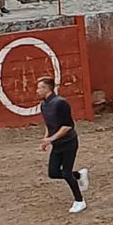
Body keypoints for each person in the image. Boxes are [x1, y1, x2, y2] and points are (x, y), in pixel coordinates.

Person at [37, 77, 88, 213]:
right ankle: (78, 175)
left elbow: (67, 126)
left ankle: (79, 201)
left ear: (47, 88)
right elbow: (49, 124)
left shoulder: (61, 103)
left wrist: (50, 139)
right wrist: (46, 139)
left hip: (68, 143)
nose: (37, 91)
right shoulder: (43, 105)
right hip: (57, 144)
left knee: (66, 172)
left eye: (40, 88)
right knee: (53, 172)